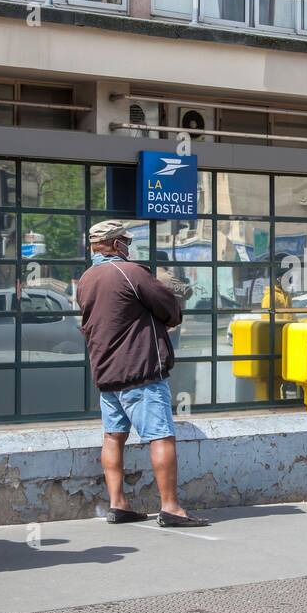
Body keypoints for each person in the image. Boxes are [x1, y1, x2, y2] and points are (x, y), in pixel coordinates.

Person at [77, 219, 207, 527]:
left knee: (112, 437)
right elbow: (169, 308)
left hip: (107, 374)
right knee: (161, 436)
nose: (128, 247)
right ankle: (171, 507)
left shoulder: (85, 278)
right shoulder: (131, 272)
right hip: (140, 371)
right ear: (117, 244)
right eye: (126, 242)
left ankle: (118, 503)